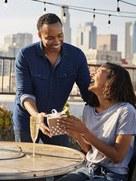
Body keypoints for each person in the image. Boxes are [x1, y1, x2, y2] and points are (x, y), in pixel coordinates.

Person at [46, 62, 136, 181]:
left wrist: (84, 131)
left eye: (99, 71)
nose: (92, 74)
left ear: (112, 81)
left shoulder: (125, 111)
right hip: (88, 169)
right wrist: (77, 135)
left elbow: (117, 157)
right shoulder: (88, 109)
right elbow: (91, 150)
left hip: (112, 178)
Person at [12, 13, 91, 147]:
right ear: (40, 36)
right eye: (50, 38)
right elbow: (24, 92)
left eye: (60, 36)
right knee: (26, 161)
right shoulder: (25, 55)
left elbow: (88, 93)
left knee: (62, 160)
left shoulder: (77, 56)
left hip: (56, 120)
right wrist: (37, 116)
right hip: (28, 119)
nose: (56, 42)